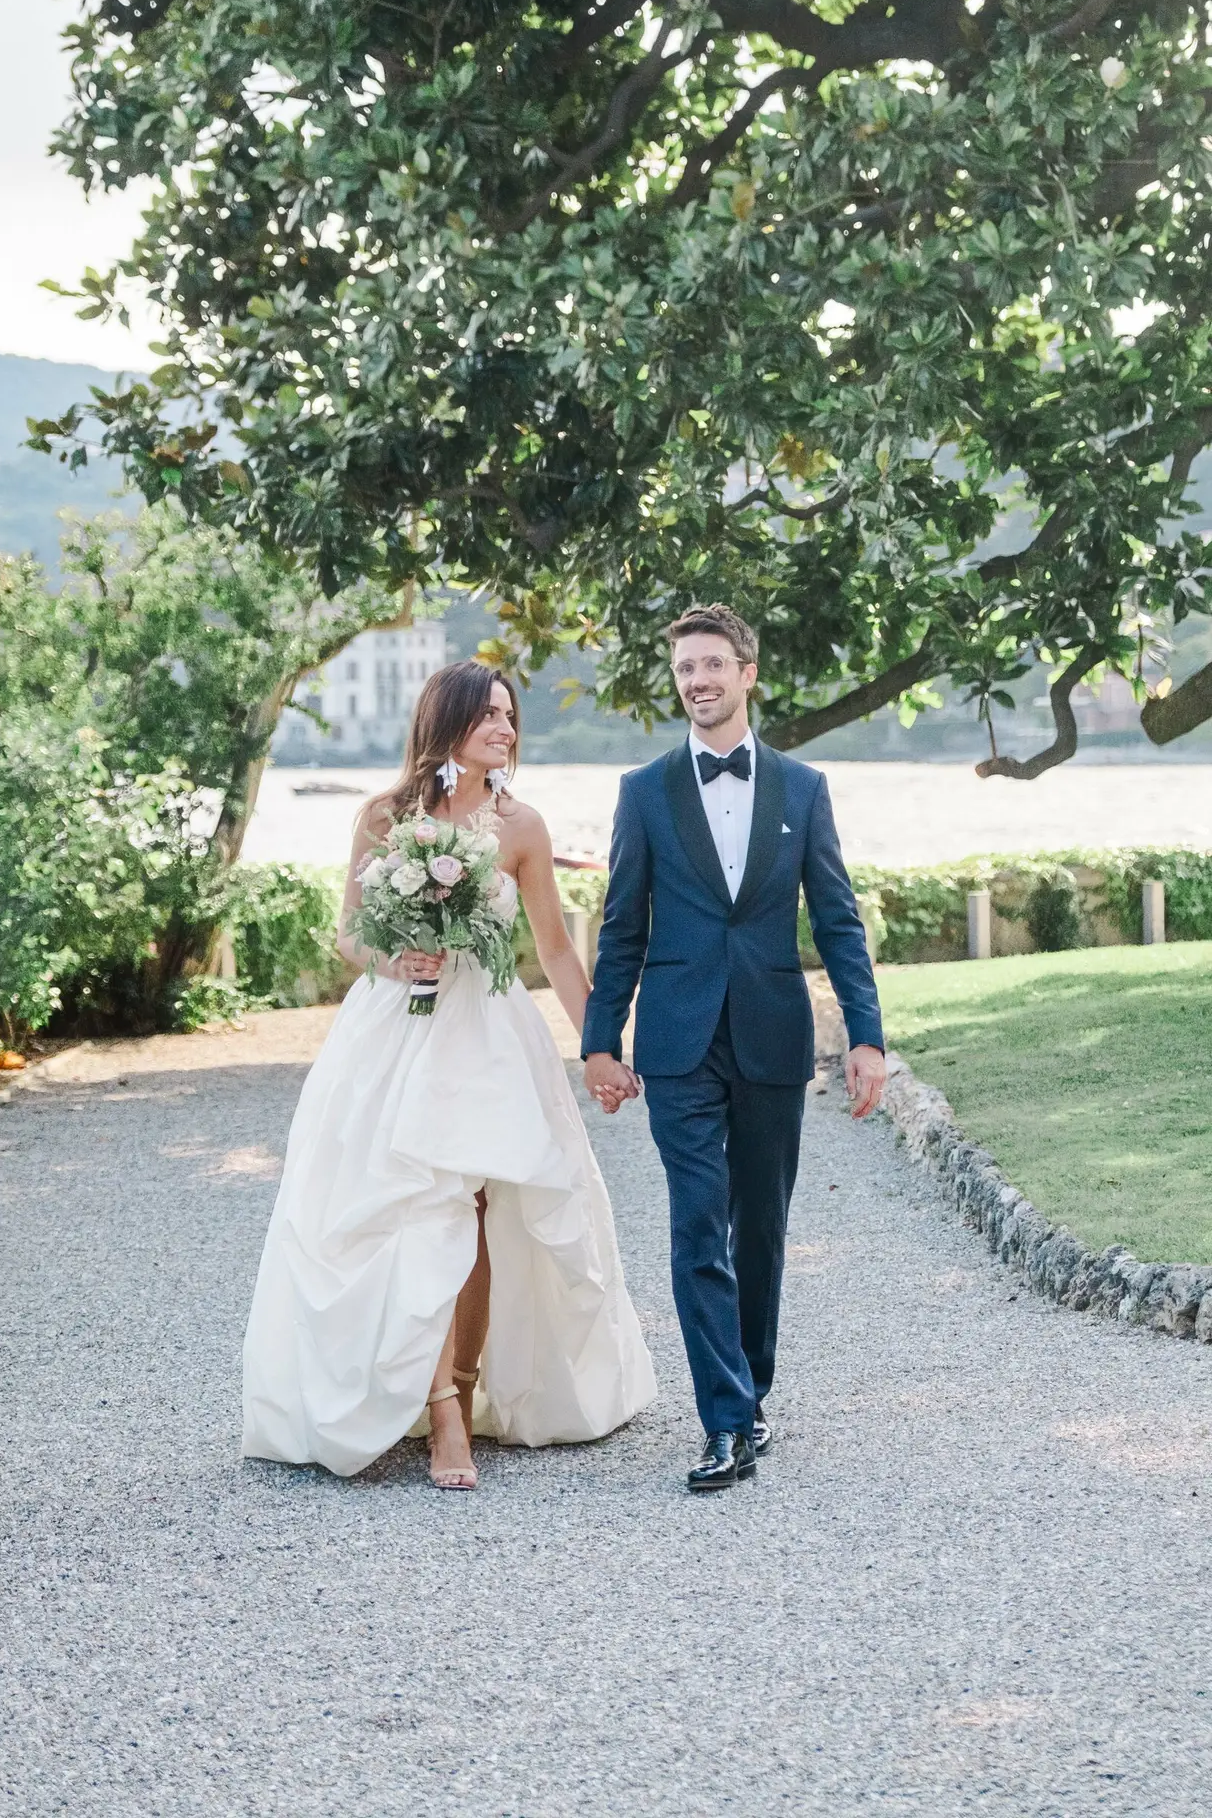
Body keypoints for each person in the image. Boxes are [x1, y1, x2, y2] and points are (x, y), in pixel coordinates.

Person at [242, 659, 655, 1490]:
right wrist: (396, 963)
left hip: (489, 1030)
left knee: (481, 1206)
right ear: (447, 723)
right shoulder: (383, 817)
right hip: (396, 1029)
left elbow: (554, 949)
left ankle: (462, 1394)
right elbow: (351, 936)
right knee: (416, 1209)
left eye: (510, 716)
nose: (505, 729)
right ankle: (437, 1414)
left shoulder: (522, 826)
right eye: (490, 715)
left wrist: (602, 1045)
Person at [582, 604, 885, 1491]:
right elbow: (621, 928)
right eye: (685, 669)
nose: (699, 681)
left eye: (713, 665)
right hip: (675, 1042)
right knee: (695, 1224)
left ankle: (751, 1391)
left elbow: (838, 921)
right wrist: (601, 1041)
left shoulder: (804, 789)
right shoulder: (644, 792)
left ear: (748, 673)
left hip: (771, 1036)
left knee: (762, 1225)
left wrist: (866, 1037)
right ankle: (722, 1420)